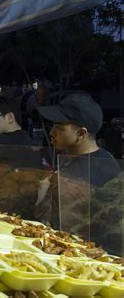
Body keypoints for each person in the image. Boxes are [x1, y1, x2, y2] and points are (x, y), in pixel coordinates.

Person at [36, 94, 121, 249]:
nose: (52, 133)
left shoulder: (103, 168)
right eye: (53, 126)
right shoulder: (70, 158)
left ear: (81, 134)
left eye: (59, 128)